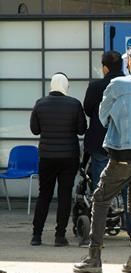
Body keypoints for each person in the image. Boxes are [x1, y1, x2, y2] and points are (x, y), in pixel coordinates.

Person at [73, 44, 131, 273]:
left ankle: (94, 257)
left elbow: (102, 116)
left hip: (124, 152)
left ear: (130, 62)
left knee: (100, 199)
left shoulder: (117, 85)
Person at [30, 72, 87, 246]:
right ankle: (60, 236)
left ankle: (36, 236)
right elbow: (81, 130)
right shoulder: (74, 104)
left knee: (44, 195)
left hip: (46, 157)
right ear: (66, 86)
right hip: (69, 157)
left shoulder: (40, 104)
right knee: (64, 196)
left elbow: (35, 130)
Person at [83, 50, 130, 235]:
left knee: (99, 185)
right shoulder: (129, 86)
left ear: (104, 68)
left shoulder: (95, 86)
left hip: (100, 142)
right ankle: (130, 227)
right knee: (127, 186)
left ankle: (98, 228)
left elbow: (87, 110)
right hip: (125, 142)